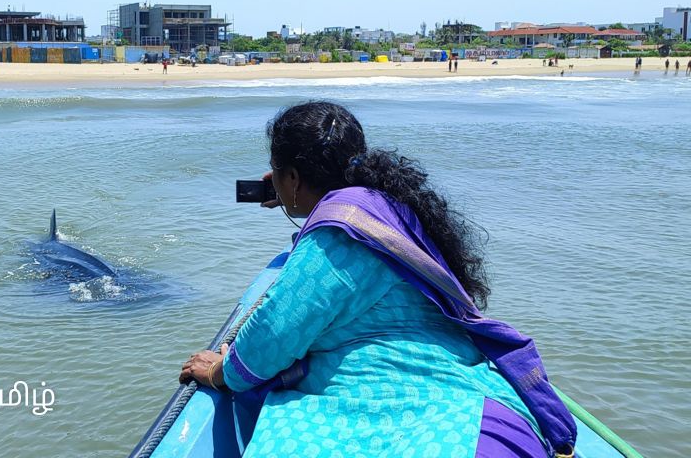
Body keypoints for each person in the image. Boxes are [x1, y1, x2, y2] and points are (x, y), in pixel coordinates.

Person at [181, 101, 577, 458]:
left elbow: (270, 338)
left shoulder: (336, 235)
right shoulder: (384, 205)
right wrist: (295, 198)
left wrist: (219, 372)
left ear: (295, 178)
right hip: (480, 404)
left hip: (426, 418)